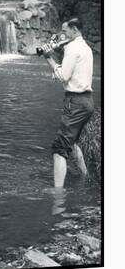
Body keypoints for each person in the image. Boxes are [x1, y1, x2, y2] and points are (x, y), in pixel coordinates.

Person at [41, 18, 94, 188]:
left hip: (76, 102)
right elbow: (72, 73)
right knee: (73, 142)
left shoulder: (72, 48)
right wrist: (58, 66)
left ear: (74, 30)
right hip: (87, 102)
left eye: (65, 31)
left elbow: (63, 76)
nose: (62, 34)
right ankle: (86, 177)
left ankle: (58, 195)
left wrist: (49, 58)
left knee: (59, 148)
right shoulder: (85, 47)